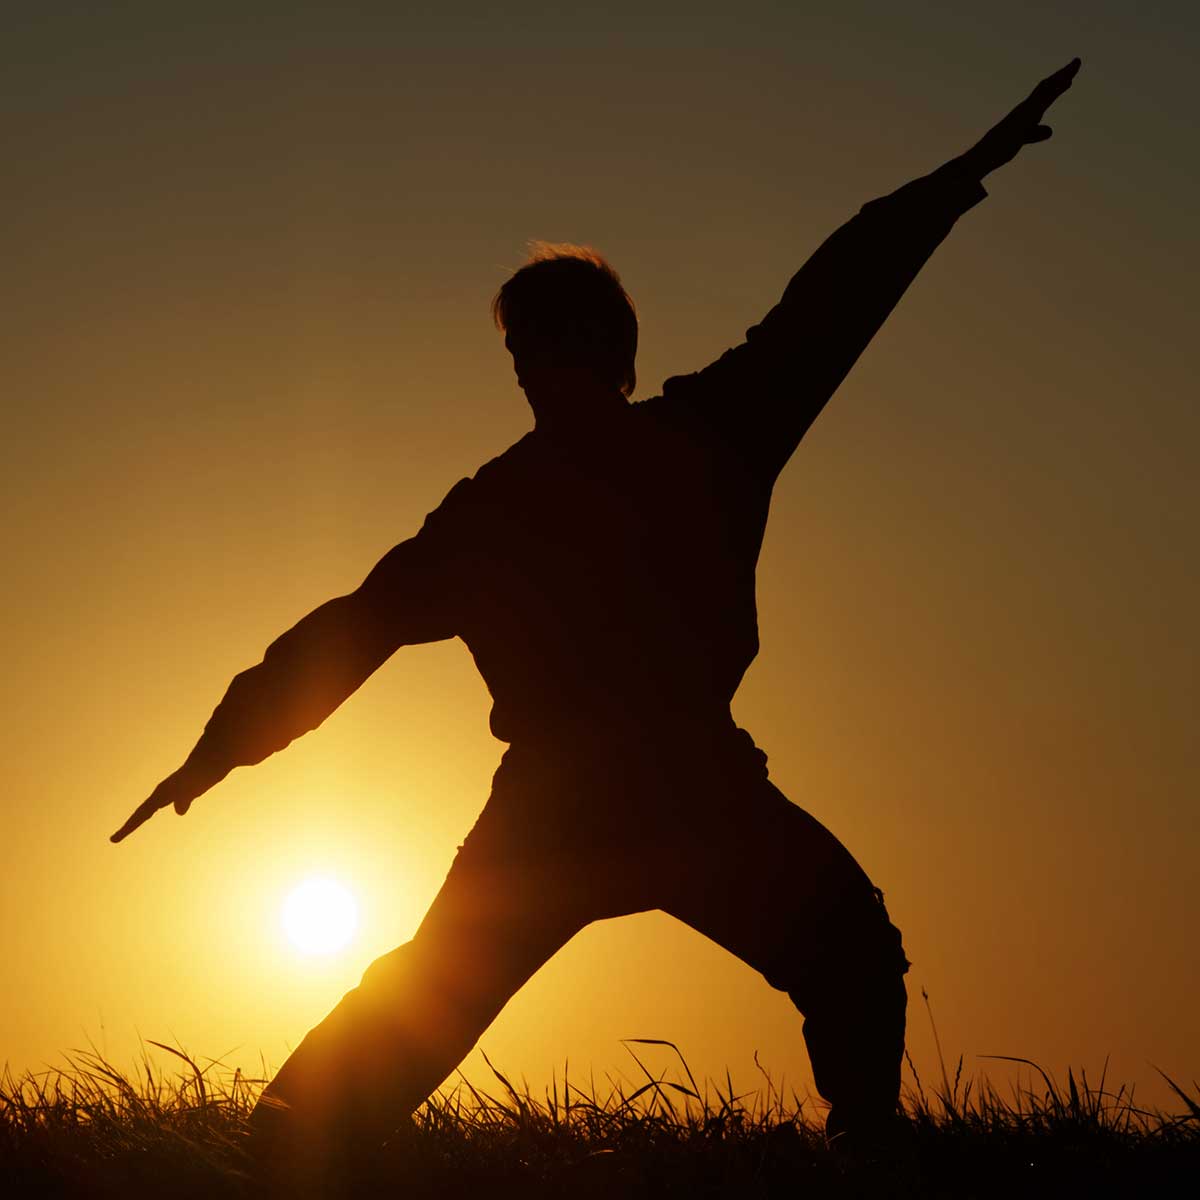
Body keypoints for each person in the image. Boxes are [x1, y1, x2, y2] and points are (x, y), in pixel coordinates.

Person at [112, 58, 1081, 1184]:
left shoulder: (671, 446)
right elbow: (355, 629)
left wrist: (957, 179)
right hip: (605, 797)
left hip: (654, 788)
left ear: (599, 356)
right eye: (529, 350)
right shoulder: (613, 469)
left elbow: (838, 292)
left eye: (551, 346)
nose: (539, 368)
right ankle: (284, 1135)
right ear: (529, 365)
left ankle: (868, 1139)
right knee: (453, 988)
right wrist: (223, 744)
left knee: (841, 949)